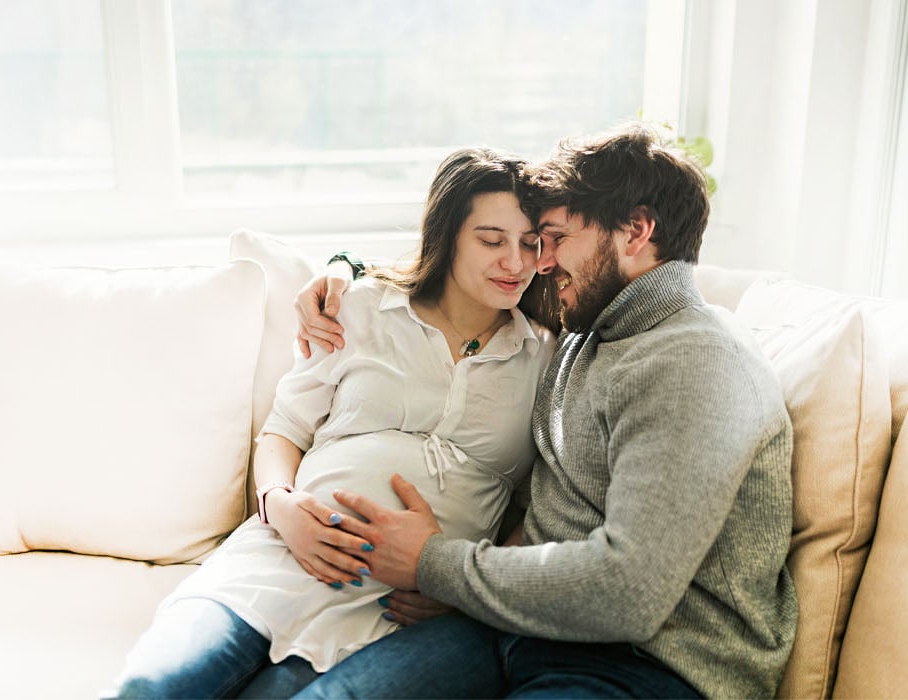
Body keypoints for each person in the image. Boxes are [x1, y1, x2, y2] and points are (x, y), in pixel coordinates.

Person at [285, 123, 796, 699]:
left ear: (636, 232)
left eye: (555, 238)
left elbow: (629, 592)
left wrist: (435, 565)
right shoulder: (589, 331)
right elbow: (446, 276)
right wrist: (341, 271)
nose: (540, 262)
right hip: (513, 631)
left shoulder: (696, 364)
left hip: (644, 666)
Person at [103, 147, 558, 698]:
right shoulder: (363, 307)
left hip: (387, 610)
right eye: (491, 240)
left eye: (530, 243)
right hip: (281, 560)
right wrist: (279, 505)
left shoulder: (546, 358)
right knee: (150, 688)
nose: (515, 262)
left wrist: (466, 582)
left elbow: (539, 504)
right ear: (448, 236)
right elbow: (284, 429)